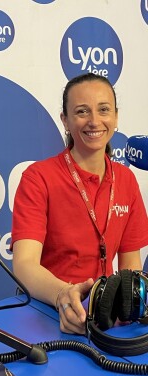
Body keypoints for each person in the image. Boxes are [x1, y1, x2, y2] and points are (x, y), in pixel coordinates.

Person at [11, 72, 148, 335]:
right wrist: (62, 294)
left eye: (104, 109)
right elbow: (24, 264)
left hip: (105, 318)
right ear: (65, 120)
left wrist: (127, 304)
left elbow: (130, 265)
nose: (94, 121)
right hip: (49, 311)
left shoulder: (126, 180)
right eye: (82, 111)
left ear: (116, 116)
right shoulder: (38, 178)